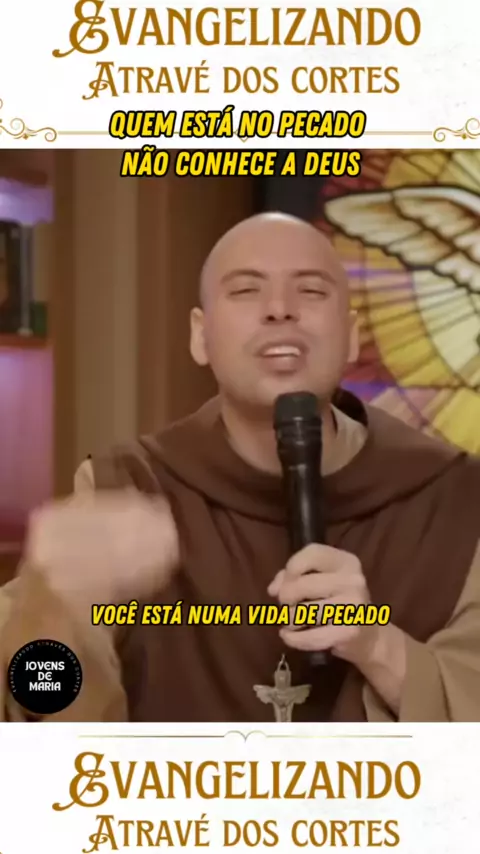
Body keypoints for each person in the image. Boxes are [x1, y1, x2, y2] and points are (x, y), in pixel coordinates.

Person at [1, 211, 480, 723]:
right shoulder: (125, 485)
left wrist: (378, 646)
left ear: (351, 336)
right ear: (200, 336)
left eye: (311, 291)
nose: (279, 309)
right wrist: (52, 608)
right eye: (247, 290)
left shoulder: (455, 497)